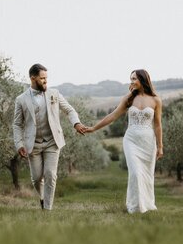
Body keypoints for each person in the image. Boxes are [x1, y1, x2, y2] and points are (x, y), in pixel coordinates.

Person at [86, 69, 163, 213]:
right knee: (135, 173)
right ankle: (135, 206)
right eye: (131, 79)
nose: (132, 81)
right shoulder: (128, 99)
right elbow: (113, 116)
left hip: (148, 142)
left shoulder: (156, 100)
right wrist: (93, 128)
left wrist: (160, 146)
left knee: (147, 175)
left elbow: (158, 125)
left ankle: (147, 205)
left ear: (143, 79)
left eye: (134, 79)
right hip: (131, 140)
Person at [13, 63, 87, 210]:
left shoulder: (55, 93)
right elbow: (16, 124)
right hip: (32, 144)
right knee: (36, 178)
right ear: (33, 78)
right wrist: (19, 144)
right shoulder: (21, 99)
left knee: (50, 175)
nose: (46, 81)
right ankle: (41, 198)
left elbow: (69, 110)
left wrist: (76, 123)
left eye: (47, 78)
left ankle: (47, 209)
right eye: (42, 78)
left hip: (52, 142)